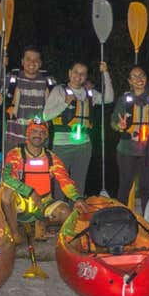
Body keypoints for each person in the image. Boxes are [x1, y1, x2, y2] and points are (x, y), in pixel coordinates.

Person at [0, 119, 88, 243]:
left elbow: (65, 180)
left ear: (46, 136)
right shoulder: (15, 154)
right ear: (28, 134)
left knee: (66, 213)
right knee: (6, 195)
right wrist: (30, 192)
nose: (38, 135)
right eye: (34, 131)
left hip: (44, 203)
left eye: (42, 132)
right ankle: (15, 232)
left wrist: (77, 198)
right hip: (22, 204)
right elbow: (7, 178)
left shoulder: (52, 158)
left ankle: (40, 224)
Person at [42, 61, 113, 196]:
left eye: (82, 74)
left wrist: (105, 73)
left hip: (83, 146)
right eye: (76, 72)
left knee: (78, 185)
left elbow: (109, 98)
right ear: (70, 73)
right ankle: (59, 211)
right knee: (60, 183)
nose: (78, 76)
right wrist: (65, 103)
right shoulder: (59, 90)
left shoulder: (89, 93)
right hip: (62, 146)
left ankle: (75, 212)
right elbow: (46, 115)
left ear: (85, 77)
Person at [111, 66, 149, 213]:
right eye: (134, 77)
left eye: (141, 75)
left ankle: (146, 218)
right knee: (125, 184)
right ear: (130, 81)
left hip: (148, 148)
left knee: (146, 186)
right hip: (127, 148)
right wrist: (119, 125)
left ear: (146, 79)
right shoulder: (124, 99)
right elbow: (113, 122)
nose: (138, 79)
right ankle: (121, 215)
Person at [0, 46, 56, 151]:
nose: (32, 62)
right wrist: (2, 66)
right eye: (28, 59)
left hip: (38, 139)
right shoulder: (12, 77)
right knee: (10, 167)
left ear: (40, 63)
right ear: (22, 62)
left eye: (36, 60)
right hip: (13, 138)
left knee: (38, 167)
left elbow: (62, 96)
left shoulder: (48, 80)